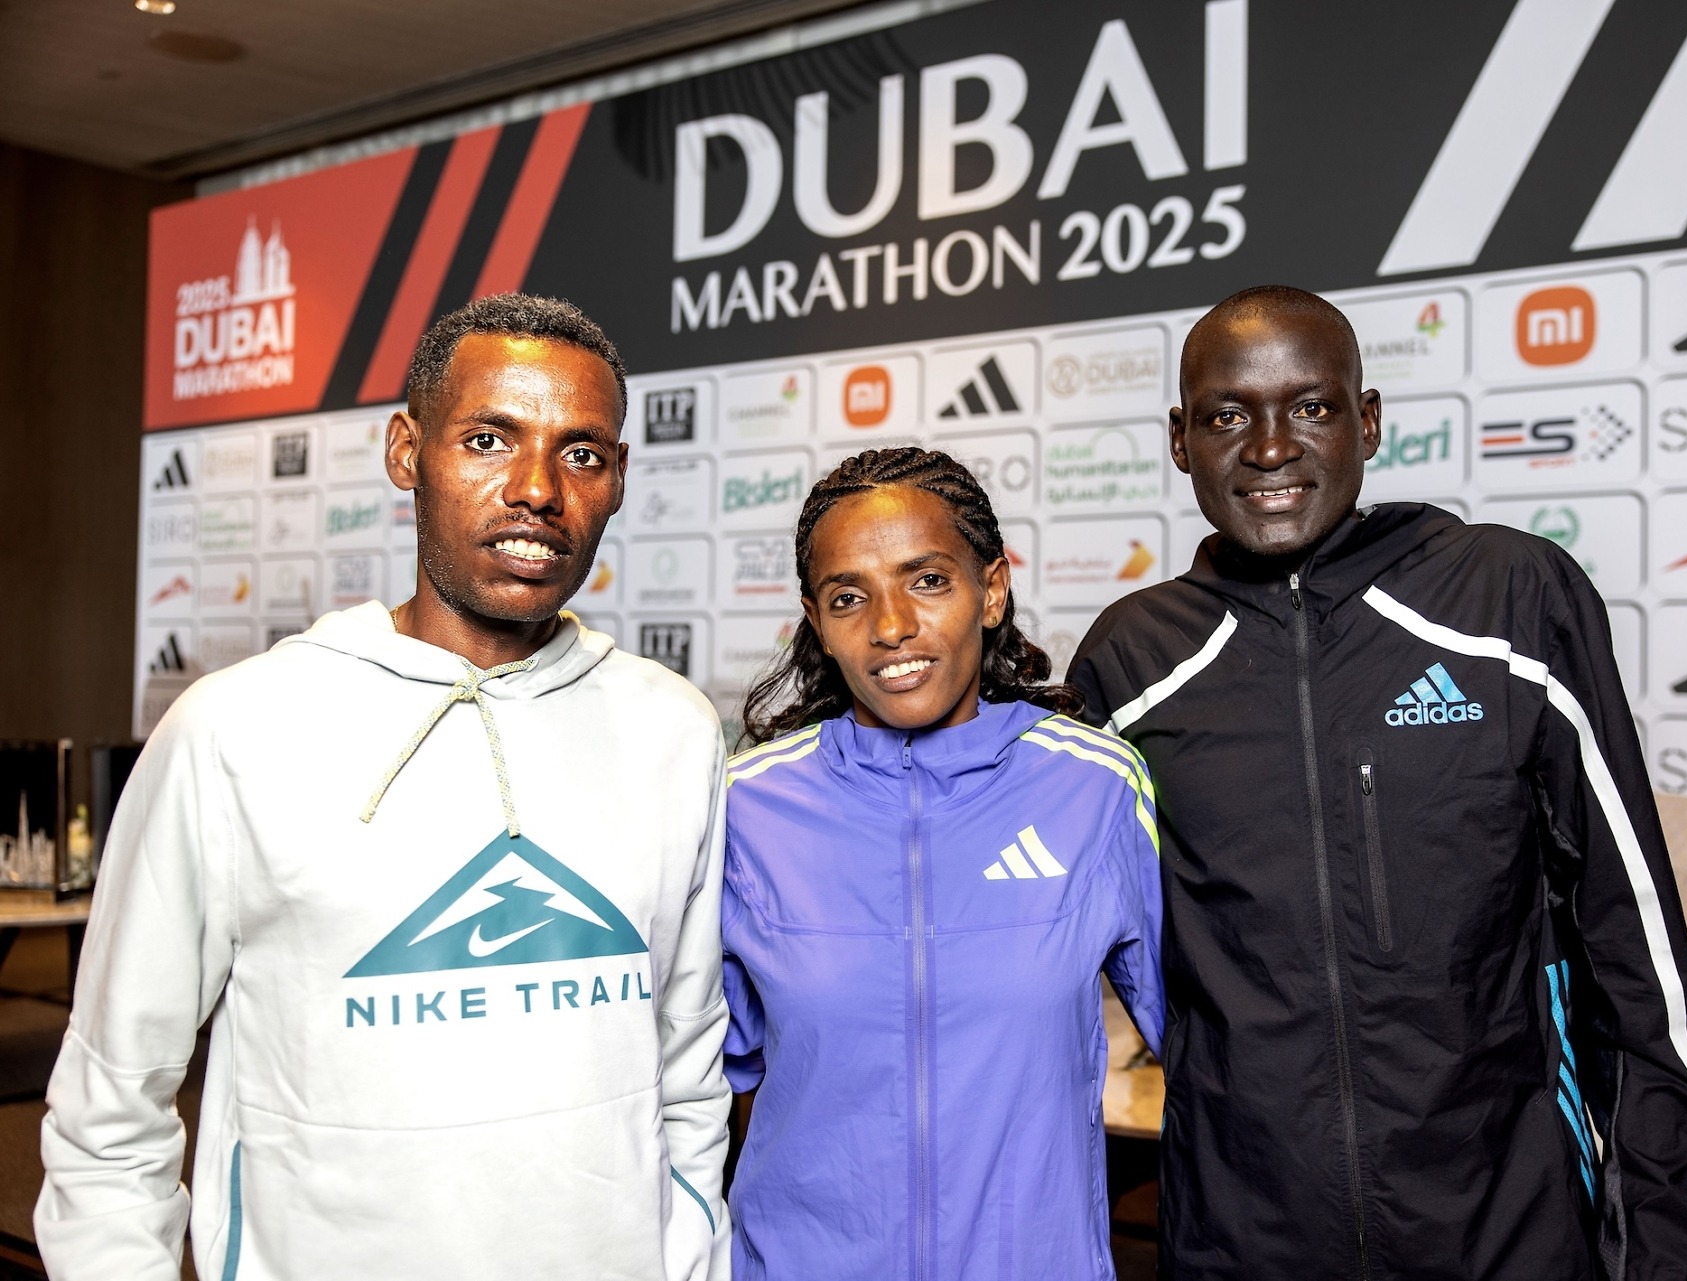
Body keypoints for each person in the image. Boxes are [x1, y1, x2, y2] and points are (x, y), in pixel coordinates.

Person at [37, 295, 731, 1280]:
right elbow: (113, 1102)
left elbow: (687, 1070)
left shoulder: (676, 730)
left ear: (616, 480)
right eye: (490, 439)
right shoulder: (235, 731)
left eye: (581, 454)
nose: (537, 489)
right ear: (408, 452)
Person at [1069, 287, 1687, 1280]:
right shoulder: (1130, 659)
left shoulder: (1508, 596)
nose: (1272, 447)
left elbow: (1632, 938)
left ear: (1367, 421)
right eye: (1228, 415)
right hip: (1244, 1232)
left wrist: (1653, 1231)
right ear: (1180, 439)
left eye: (1313, 407)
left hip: (1504, 1219)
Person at [721, 447, 1163, 1280]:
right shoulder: (750, 806)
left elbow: (1216, 1053)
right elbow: (698, 1086)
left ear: (991, 589)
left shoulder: (1094, 788)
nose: (890, 626)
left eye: (927, 580)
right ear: (816, 621)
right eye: (848, 596)